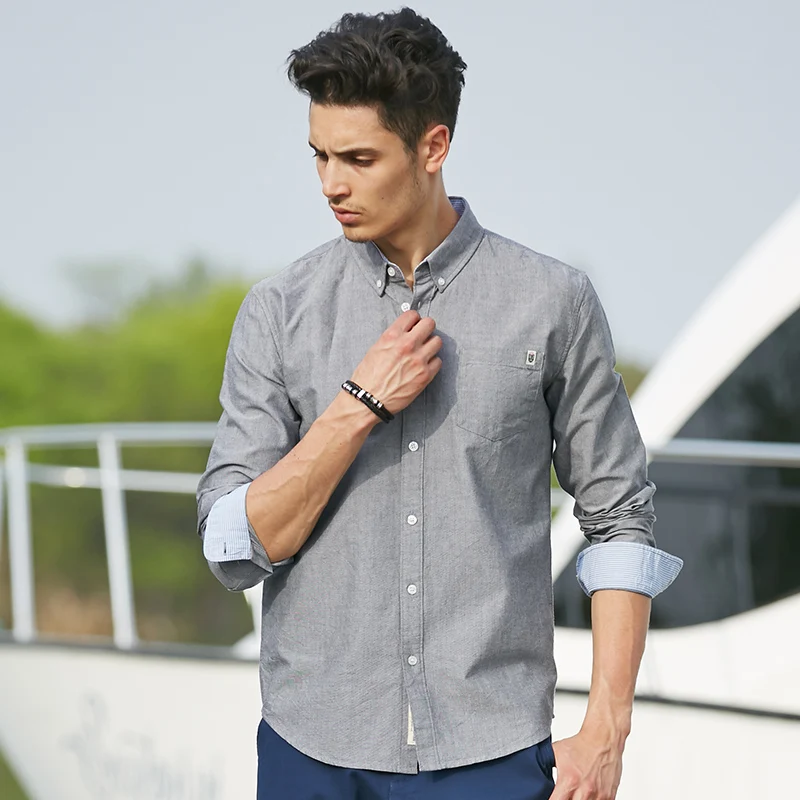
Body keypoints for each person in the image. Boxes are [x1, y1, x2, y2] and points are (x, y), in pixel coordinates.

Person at [196, 8, 683, 799]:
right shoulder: (278, 312)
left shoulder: (550, 302)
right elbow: (233, 548)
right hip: (311, 747)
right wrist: (356, 405)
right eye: (319, 155)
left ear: (433, 147)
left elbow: (619, 515)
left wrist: (606, 731)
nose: (331, 184)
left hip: (493, 751)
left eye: (358, 158)